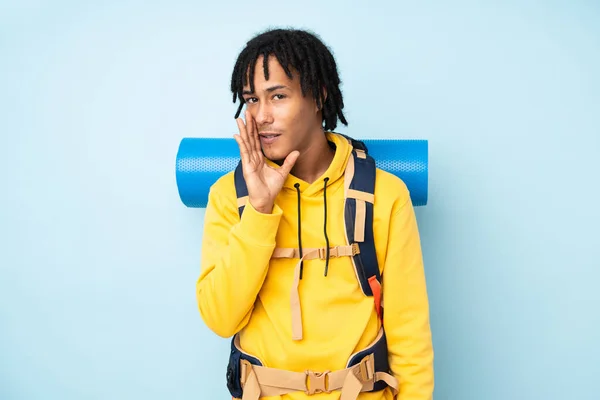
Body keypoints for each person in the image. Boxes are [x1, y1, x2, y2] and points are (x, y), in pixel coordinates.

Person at [196, 27, 434, 400]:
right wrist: (260, 211)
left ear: (320, 95)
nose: (260, 115)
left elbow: (410, 336)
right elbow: (220, 318)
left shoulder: (385, 194)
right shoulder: (229, 195)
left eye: (278, 96)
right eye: (251, 99)